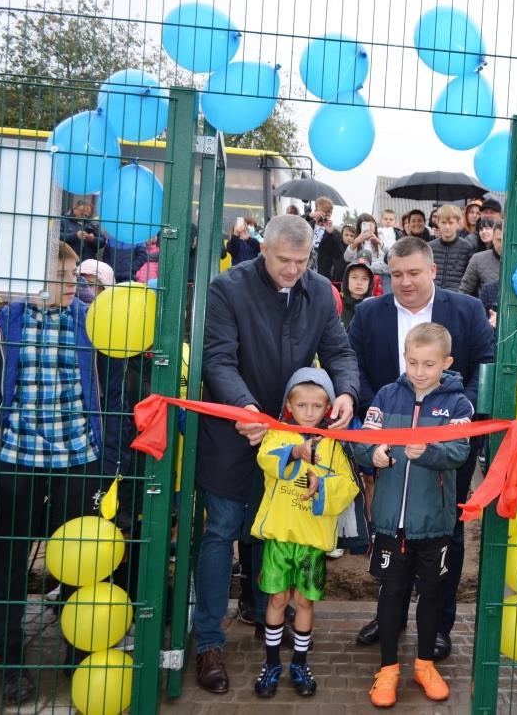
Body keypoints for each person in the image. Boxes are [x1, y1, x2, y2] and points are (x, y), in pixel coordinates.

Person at [193, 214, 359, 695]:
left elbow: (340, 352)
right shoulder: (228, 288)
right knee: (222, 531)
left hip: (293, 440)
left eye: (301, 261)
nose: (292, 270)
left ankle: (274, 615)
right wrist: (243, 406)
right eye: (283, 260)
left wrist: (345, 391)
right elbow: (217, 358)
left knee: (275, 531)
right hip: (235, 434)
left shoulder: (318, 291)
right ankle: (208, 641)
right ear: (263, 249)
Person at [347, 237, 494, 661]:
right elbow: (354, 364)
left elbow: (485, 366)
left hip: (447, 442)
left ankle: (439, 625)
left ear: (432, 271)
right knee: (389, 528)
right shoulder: (370, 312)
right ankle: (388, 616)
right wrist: (385, 413)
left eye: (413, 273)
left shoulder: (464, 310)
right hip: (388, 443)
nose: (405, 282)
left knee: (446, 532)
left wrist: (451, 418)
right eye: (396, 274)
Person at [0, 242, 110, 705]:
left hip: (76, 456)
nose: (72, 285)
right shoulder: (8, 321)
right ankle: (11, 658)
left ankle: (77, 647)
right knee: (8, 562)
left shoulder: (89, 321)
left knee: (79, 561)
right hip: (16, 453)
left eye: (74, 277)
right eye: (61, 277)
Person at [354, 323, 473, 708]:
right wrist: (370, 456)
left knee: (432, 594)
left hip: (434, 523)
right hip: (390, 519)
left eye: (429, 363)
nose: (419, 371)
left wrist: (432, 453)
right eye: (412, 362)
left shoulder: (458, 404)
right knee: (390, 594)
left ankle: (424, 664)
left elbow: (459, 452)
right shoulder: (387, 396)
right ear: (404, 358)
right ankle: (388, 669)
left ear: (446, 362)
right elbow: (362, 442)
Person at [251, 368, 358, 699]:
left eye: (317, 406)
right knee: (277, 599)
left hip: (312, 543)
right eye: (302, 406)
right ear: (289, 405)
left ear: (328, 408)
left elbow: (349, 485)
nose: (309, 413)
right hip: (280, 537)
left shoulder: (334, 445)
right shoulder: (277, 435)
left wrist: (321, 486)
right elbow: (265, 460)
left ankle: (299, 663)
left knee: (304, 602)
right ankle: (271, 664)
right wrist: (295, 453)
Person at [428, 204, 477, 293]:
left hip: (457, 296)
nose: (447, 227)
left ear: (457, 223)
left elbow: (470, 278)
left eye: (451, 223)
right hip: (433, 294)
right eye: (443, 222)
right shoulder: (429, 247)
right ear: (438, 222)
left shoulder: (468, 247)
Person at [459, 221, 502, 298]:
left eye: (506, 241)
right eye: (499, 240)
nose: (503, 245)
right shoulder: (478, 259)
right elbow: (465, 291)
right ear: (493, 239)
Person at [339, 262, 374, 328]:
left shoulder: (374, 308)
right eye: (354, 277)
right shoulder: (336, 303)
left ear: (370, 282)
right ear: (346, 280)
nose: (359, 283)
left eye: (364, 278)